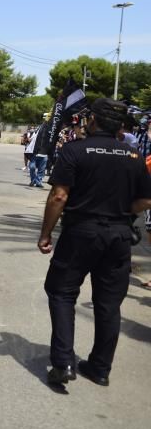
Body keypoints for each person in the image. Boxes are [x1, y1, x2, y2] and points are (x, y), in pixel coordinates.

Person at [39, 98, 151, 386]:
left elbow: (59, 196)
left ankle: (63, 363)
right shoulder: (134, 156)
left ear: (94, 121)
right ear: (120, 126)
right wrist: (122, 213)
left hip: (81, 232)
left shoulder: (75, 150)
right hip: (118, 236)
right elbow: (146, 200)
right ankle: (100, 369)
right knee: (109, 303)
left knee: (62, 292)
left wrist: (46, 233)